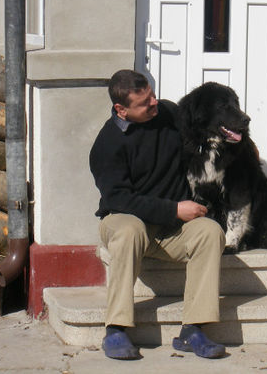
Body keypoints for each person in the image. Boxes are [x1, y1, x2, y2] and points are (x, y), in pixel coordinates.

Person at [89, 69, 226, 360]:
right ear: (121, 109)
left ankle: (193, 329)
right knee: (130, 228)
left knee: (210, 231)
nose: (154, 103)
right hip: (125, 221)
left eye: (152, 95)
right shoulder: (108, 143)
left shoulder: (167, 113)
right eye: (145, 102)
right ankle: (116, 329)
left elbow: (198, 131)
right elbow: (118, 198)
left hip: (171, 229)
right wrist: (175, 209)